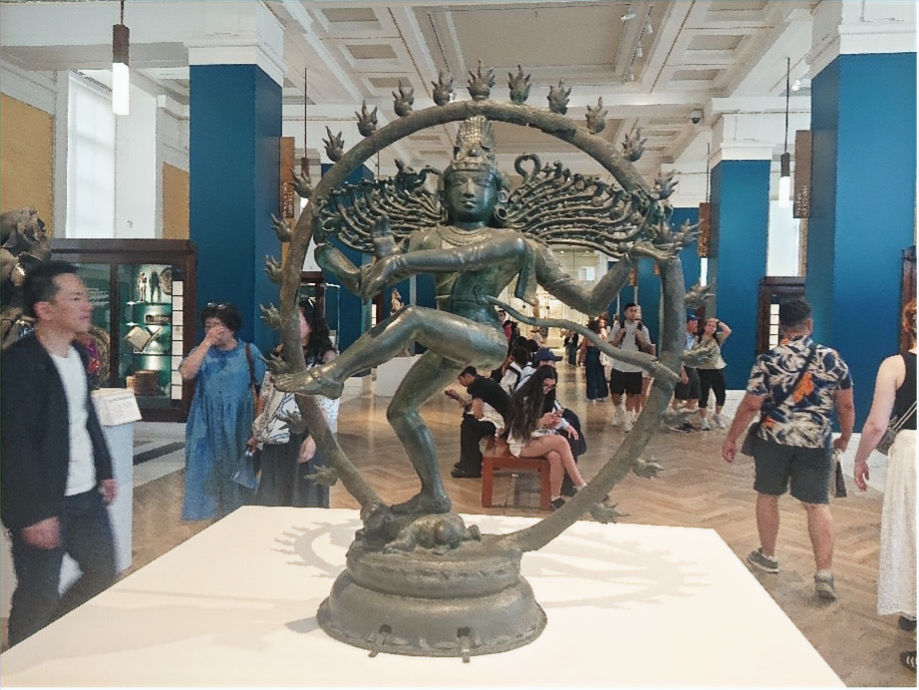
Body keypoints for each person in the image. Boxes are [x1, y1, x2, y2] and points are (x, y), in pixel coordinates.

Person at [276, 115, 644, 515]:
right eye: (459, 183)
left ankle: (332, 376)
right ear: (443, 194)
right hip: (447, 338)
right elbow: (365, 286)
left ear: (499, 195)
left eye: (481, 183)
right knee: (400, 410)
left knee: (414, 316)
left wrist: (625, 264)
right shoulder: (426, 237)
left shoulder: (514, 243)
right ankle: (433, 492)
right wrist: (336, 258)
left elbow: (588, 301)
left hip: (485, 336)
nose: (469, 192)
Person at [1, 261, 118, 646]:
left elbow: (85, 419)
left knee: (103, 571)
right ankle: (16, 668)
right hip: (44, 503)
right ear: (45, 310)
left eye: (85, 296)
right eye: (75, 298)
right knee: (38, 594)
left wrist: (104, 469)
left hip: (85, 495)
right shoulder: (18, 364)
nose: (87, 305)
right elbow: (13, 445)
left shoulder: (79, 357)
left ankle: (50, 639)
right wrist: (34, 513)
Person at [722, 299, 854, 601]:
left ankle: (768, 555)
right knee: (817, 504)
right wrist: (844, 438)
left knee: (768, 496)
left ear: (782, 327)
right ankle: (824, 573)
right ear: (809, 325)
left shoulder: (768, 360)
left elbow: (752, 405)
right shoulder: (832, 359)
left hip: (774, 440)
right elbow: (845, 404)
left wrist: (731, 437)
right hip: (815, 441)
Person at [852, 298, 916, 672]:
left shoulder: (895, 365)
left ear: (907, 325)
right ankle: (912, 606)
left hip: (912, 454)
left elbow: (877, 424)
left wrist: (860, 458)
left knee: (910, 531)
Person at [180, 302, 266, 520]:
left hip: (239, 422)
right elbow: (187, 373)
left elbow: (265, 389)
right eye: (208, 325)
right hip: (205, 423)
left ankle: (239, 519)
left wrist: (258, 428)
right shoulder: (201, 352)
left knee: (239, 473)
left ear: (231, 328)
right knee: (205, 471)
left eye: (217, 325)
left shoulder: (249, 351)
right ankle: (211, 519)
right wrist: (206, 343)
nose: (212, 330)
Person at [251, 299, 338, 507]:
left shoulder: (326, 357)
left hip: (305, 433)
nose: (290, 326)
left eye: (296, 320)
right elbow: (266, 393)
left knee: (305, 494)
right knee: (274, 492)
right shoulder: (280, 352)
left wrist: (314, 440)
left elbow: (328, 403)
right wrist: (259, 429)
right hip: (276, 434)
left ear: (311, 324)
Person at [504, 367, 587, 509]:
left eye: (552, 386)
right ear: (538, 382)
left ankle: (554, 497)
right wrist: (540, 422)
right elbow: (519, 428)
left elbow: (553, 417)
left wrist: (561, 423)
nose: (548, 389)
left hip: (538, 438)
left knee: (555, 456)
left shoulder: (548, 398)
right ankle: (580, 485)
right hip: (521, 442)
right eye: (545, 385)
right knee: (561, 441)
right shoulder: (523, 399)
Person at [445, 366, 510, 479]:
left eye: (460, 379)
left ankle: (472, 468)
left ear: (468, 376)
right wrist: (457, 398)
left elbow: (477, 413)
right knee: (468, 424)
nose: (460, 382)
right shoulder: (482, 382)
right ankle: (467, 461)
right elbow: (474, 407)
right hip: (500, 418)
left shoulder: (478, 387)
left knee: (469, 427)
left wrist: (469, 414)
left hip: (501, 422)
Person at [608, 302, 652, 432]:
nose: (634, 313)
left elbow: (647, 348)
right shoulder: (618, 327)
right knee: (615, 393)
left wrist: (641, 338)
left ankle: (628, 419)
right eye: (631, 310)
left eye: (635, 311)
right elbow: (612, 345)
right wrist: (620, 335)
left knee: (632, 394)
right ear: (625, 312)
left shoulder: (643, 329)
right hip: (619, 366)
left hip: (635, 368)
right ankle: (618, 410)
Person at [694, 316, 731, 430]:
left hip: (717, 369)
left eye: (713, 326)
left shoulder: (718, 338)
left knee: (721, 394)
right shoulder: (697, 338)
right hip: (702, 370)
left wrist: (718, 322)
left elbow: (728, 331)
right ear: (705, 327)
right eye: (709, 325)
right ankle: (704, 420)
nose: (711, 328)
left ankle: (717, 415)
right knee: (703, 396)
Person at [670, 312, 700, 431]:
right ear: (686, 324)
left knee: (695, 395)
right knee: (680, 395)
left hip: (693, 368)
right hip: (684, 368)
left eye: (696, 322)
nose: (696, 324)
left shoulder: (693, 337)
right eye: (693, 322)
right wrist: (682, 372)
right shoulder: (681, 337)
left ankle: (683, 419)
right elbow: (678, 356)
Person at [578, 318, 608, 403]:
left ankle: (591, 396)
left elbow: (583, 347)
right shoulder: (603, 332)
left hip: (590, 354)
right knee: (600, 374)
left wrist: (580, 359)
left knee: (590, 375)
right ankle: (601, 394)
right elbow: (606, 342)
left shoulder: (588, 334)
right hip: (600, 354)